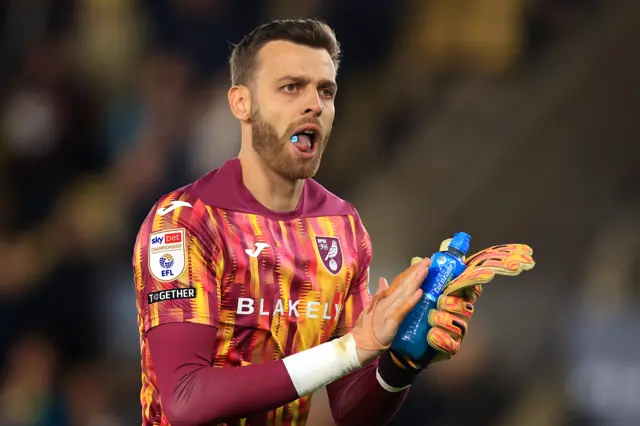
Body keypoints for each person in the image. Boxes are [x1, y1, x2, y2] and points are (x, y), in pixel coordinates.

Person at [132, 19, 531, 426]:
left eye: (326, 91)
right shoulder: (184, 222)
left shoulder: (341, 227)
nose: (314, 105)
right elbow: (183, 400)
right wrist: (351, 349)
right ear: (242, 103)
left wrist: (400, 359)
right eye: (291, 87)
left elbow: (349, 410)